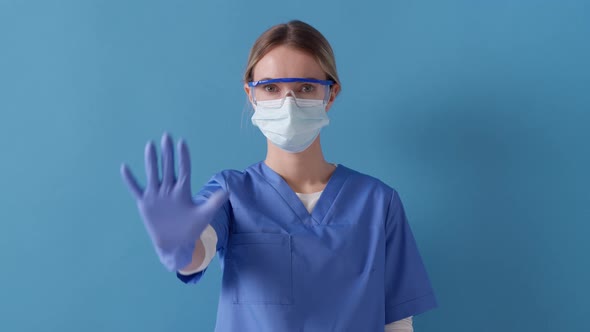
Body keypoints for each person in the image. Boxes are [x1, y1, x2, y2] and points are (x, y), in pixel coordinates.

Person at [121, 20, 437, 332]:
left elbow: (397, 320)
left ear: (331, 93)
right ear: (251, 94)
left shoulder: (378, 202)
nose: (289, 103)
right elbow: (200, 248)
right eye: (271, 87)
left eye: (306, 88)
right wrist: (183, 247)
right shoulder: (230, 194)